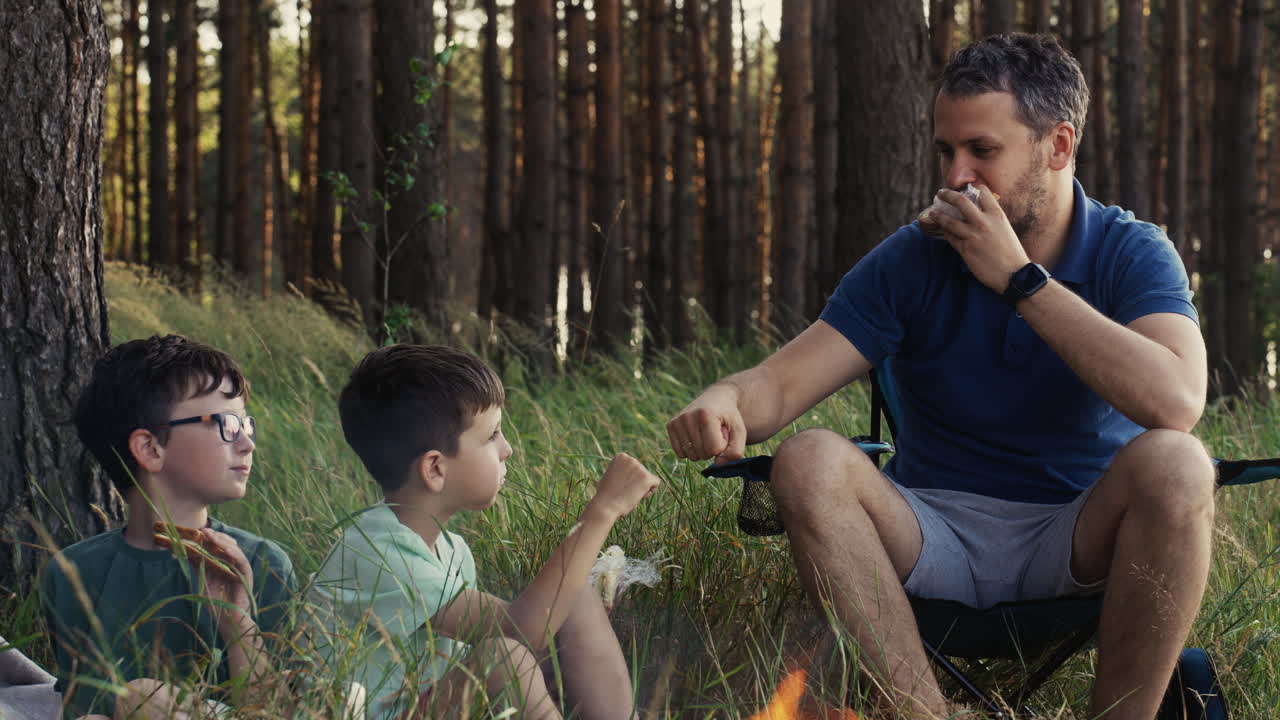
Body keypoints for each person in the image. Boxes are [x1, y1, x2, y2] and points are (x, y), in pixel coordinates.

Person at [667, 33, 1211, 720]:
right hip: (932, 532)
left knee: (1179, 465)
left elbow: (1177, 401)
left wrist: (1020, 281)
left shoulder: (1129, 251)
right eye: (945, 151)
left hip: (1076, 534)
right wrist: (725, 398)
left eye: (982, 150)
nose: (956, 177)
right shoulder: (916, 257)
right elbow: (778, 385)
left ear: (1058, 146)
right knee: (808, 461)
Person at [309, 344, 660, 720]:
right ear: (435, 469)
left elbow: (527, 630)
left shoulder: (451, 549)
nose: (508, 449)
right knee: (503, 658)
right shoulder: (376, 552)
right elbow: (523, 630)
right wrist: (602, 511)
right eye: (492, 436)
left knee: (574, 602)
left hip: (424, 704)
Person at [41, 334, 296, 719]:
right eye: (227, 424)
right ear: (150, 449)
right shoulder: (73, 574)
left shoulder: (263, 565)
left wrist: (237, 622)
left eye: (246, 424)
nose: (247, 443)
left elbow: (275, 713)